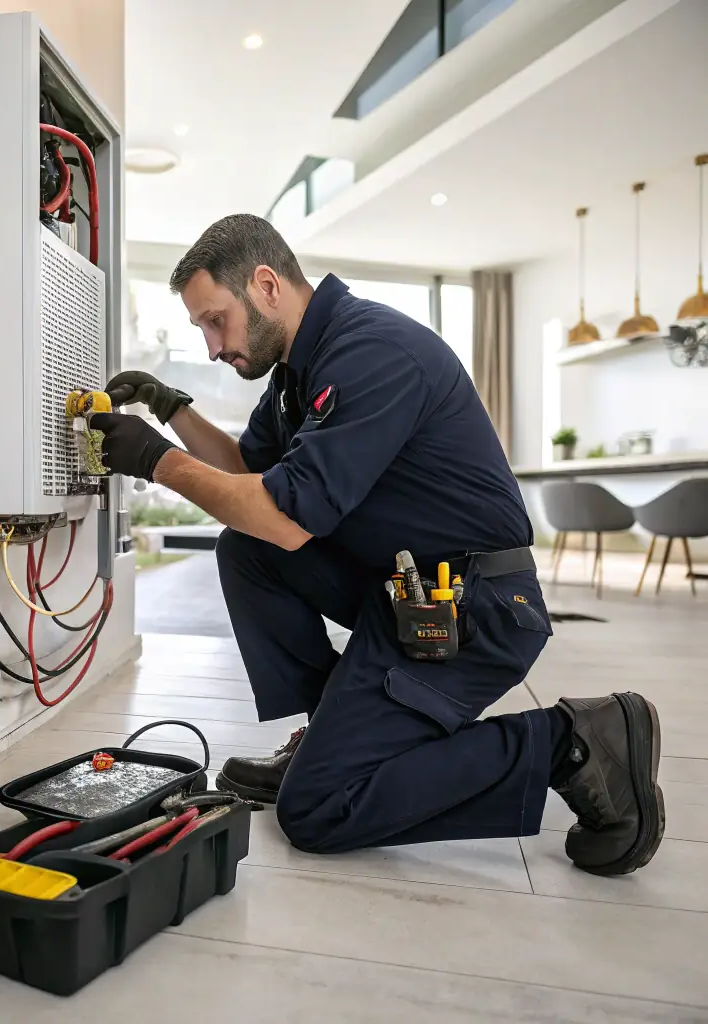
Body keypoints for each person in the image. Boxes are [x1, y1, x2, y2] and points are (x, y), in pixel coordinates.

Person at [90, 214, 663, 875]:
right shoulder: (293, 376)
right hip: (403, 593)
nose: (213, 346)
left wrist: (157, 460)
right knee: (247, 551)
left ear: (267, 285)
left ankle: (575, 741)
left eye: (215, 320)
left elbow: (283, 516)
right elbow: (249, 478)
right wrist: (171, 409)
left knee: (320, 808)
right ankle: (328, 730)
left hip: (475, 608)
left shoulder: (371, 353)